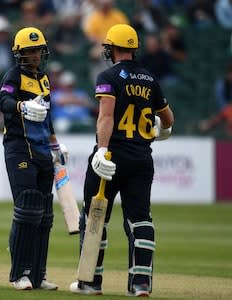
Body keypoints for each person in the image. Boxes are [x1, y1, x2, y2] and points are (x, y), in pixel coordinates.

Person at [69, 24, 174, 297]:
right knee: (140, 220)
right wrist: (161, 132)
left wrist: (102, 150)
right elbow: (168, 119)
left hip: (111, 158)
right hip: (141, 159)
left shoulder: (108, 76)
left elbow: (106, 116)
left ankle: (90, 283)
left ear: (111, 48)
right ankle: (140, 284)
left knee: (94, 218)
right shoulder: (151, 79)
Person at [0, 26, 68, 291]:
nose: (35, 56)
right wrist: (21, 106)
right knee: (27, 208)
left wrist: (55, 145)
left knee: (44, 215)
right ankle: (20, 274)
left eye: (38, 50)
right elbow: (2, 101)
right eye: (29, 51)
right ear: (20, 53)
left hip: (41, 150)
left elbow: (48, 119)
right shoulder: (13, 75)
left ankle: (38, 274)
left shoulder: (45, 79)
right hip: (18, 148)